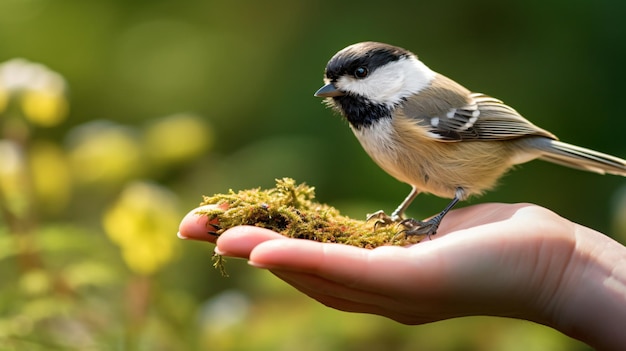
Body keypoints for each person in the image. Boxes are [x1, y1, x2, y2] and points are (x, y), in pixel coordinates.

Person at [178, 202, 626, 351]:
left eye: (355, 76)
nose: (336, 90)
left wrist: (562, 269)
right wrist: (567, 270)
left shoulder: (409, 105)